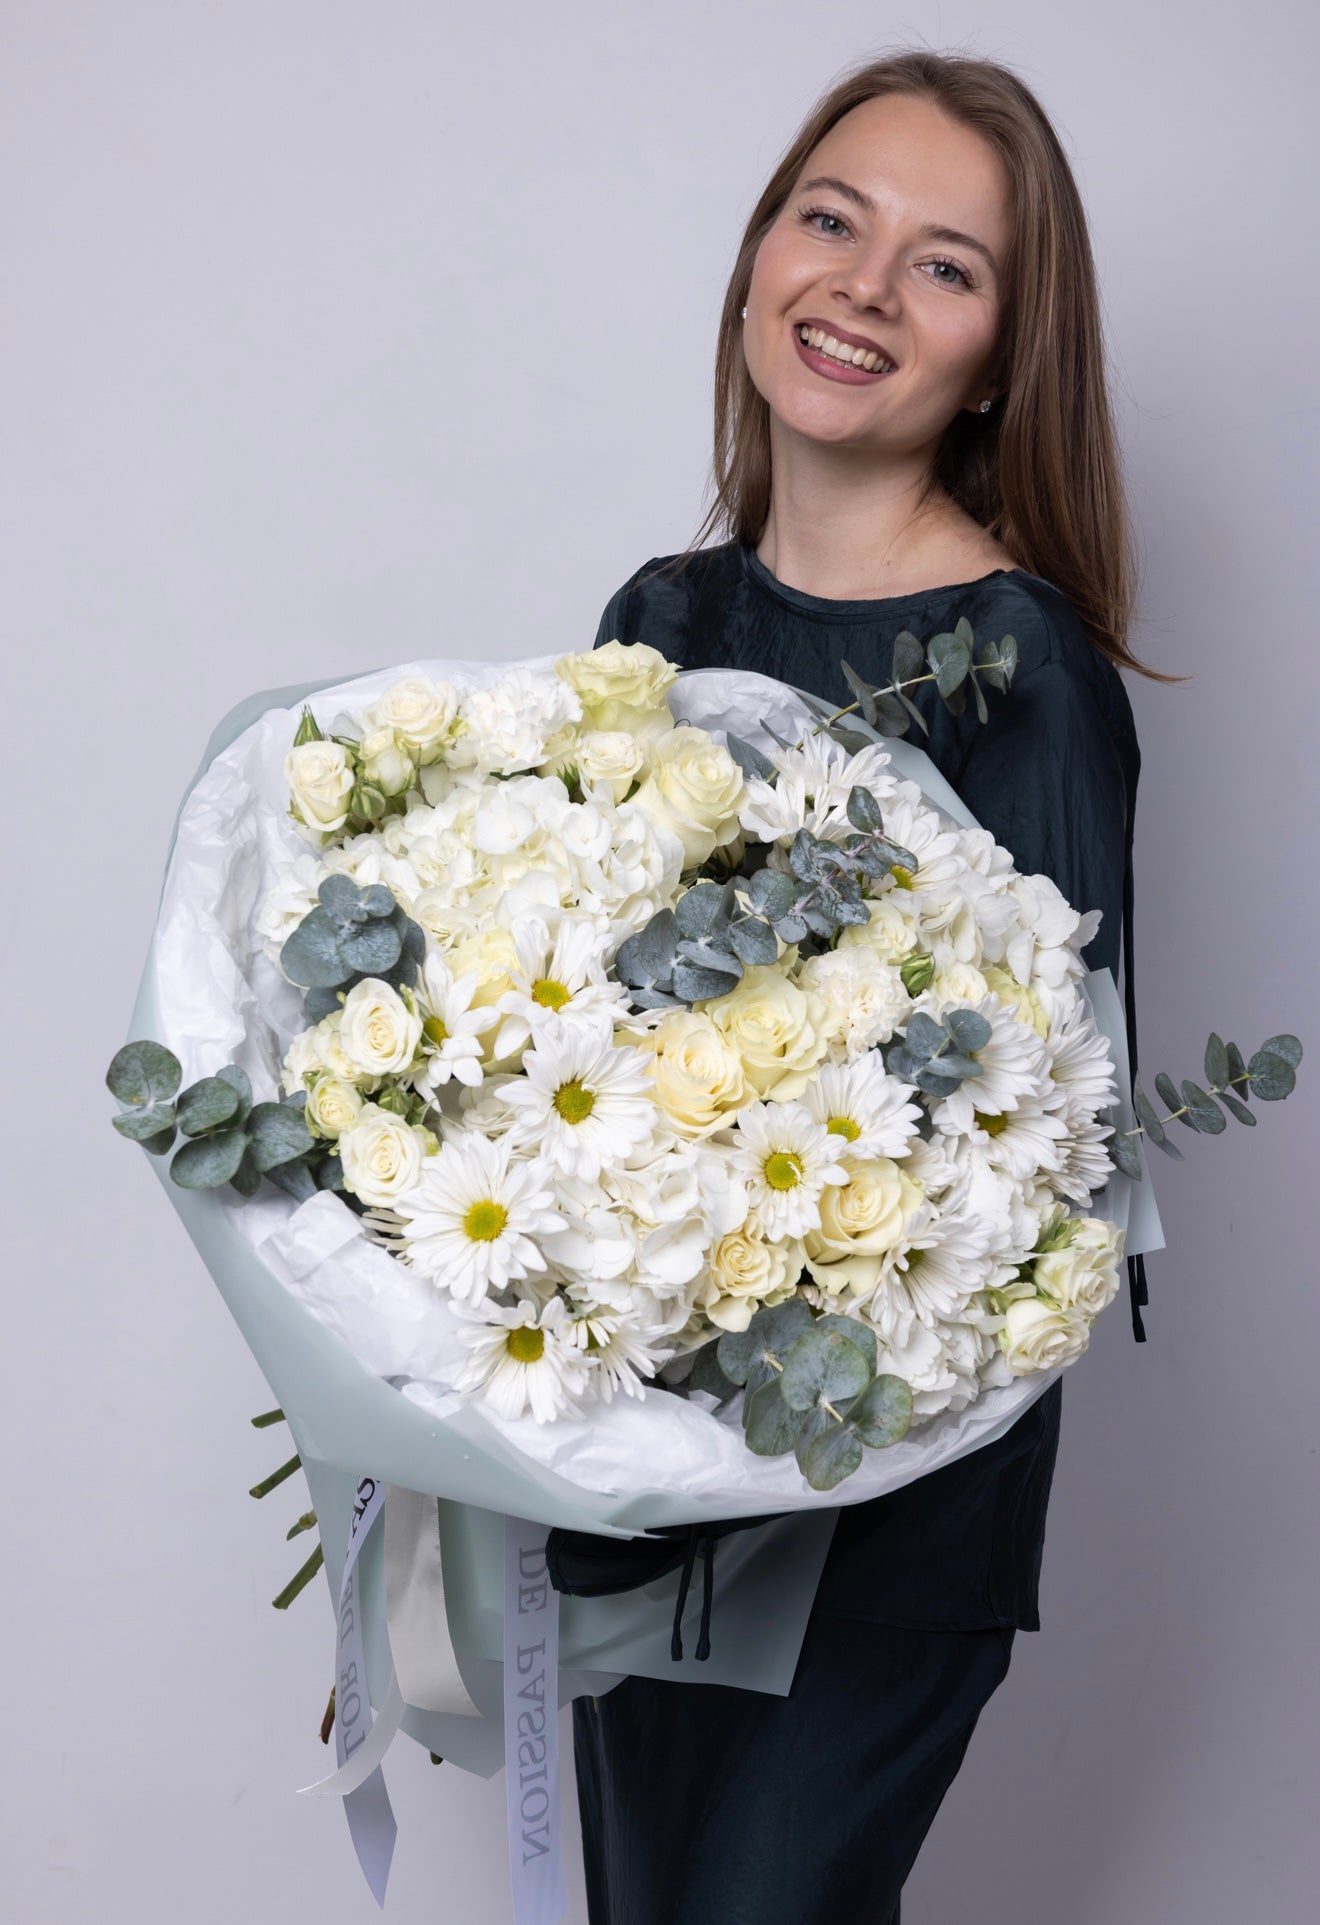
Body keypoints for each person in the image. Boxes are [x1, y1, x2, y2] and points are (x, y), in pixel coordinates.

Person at [569, 48, 1175, 1925]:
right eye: (831, 219)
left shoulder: (1021, 668)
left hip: (894, 1487)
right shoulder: (656, 626)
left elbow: (1041, 1140)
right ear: (759, 258)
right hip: (644, 1473)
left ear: (999, 358)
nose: (860, 282)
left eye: (944, 264)